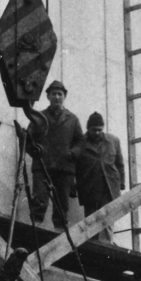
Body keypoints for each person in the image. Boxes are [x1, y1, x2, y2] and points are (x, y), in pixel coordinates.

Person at [21, 80, 83, 229]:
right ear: (48, 96)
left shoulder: (72, 119)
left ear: (64, 97)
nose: (56, 97)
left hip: (64, 168)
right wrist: (35, 153)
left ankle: (59, 233)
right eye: (53, 94)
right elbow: (28, 141)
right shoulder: (38, 117)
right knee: (39, 200)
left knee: (62, 204)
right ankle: (35, 229)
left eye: (60, 94)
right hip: (43, 166)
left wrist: (72, 154)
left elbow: (80, 141)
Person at [73, 112, 125, 231]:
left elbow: (119, 163)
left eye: (99, 130)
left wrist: (121, 182)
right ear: (88, 129)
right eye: (93, 130)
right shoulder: (80, 143)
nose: (97, 133)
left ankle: (107, 244)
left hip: (109, 186)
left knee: (107, 218)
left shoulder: (113, 140)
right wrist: (73, 186)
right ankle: (92, 246)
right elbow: (74, 166)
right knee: (91, 220)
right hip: (89, 187)